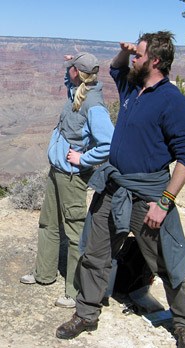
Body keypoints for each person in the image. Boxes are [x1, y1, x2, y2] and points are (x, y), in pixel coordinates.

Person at [56, 31, 185, 348]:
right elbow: (116, 68)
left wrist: (164, 202)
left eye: (140, 54)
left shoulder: (171, 101)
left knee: (166, 262)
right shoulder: (134, 87)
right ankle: (86, 314)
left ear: (155, 61)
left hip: (149, 194)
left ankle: (184, 325)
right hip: (114, 186)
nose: (134, 58)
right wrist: (125, 51)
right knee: (95, 254)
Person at [20, 52, 114, 309]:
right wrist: (72, 60)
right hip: (57, 171)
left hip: (72, 177)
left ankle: (74, 291)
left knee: (74, 233)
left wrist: (83, 159)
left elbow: (108, 142)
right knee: (48, 223)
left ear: (77, 72)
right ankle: (44, 274)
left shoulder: (93, 104)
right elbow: (66, 80)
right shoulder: (76, 91)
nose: (67, 71)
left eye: (70, 68)